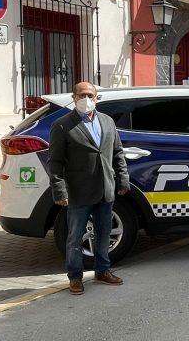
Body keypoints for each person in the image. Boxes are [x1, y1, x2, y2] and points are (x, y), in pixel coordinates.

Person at [48, 82, 130, 295]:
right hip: (78, 192)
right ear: (74, 98)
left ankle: (102, 271)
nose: (87, 99)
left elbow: (117, 153)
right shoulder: (62, 125)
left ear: (96, 97)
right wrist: (59, 190)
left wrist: (123, 180)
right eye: (82, 95)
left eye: (90, 95)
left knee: (104, 234)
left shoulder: (107, 121)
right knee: (75, 238)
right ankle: (75, 277)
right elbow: (55, 162)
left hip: (105, 189)